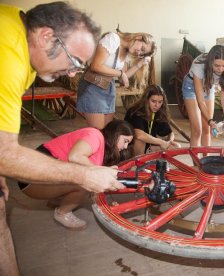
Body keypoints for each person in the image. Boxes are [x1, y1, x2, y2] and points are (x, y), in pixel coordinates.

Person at [0, 2, 127, 275]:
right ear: (47, 36)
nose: (72, 73)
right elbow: (4, 153)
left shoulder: (23, 49)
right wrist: (83, 176)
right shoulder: (7, 55)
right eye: (75, 62)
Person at [17, 120, 134, 230]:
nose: (125, 147)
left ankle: (57, 199)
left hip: (33, 175)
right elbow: (75, 157)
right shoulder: (95, 135)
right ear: (116, 134)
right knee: (86, 183)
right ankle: (62, 213)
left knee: (85, 175)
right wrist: (101, 170)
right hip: (31, 179)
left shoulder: (99, 141)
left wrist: (103, 170)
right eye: (125, 141)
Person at [77, 30, 156, 129]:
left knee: (108, 131)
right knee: (97, 132)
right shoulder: (113, 39)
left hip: (109, 88)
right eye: (142, 48)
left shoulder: (127, 53)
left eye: (142, 53)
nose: (139, 52)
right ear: (139, 37)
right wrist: (120, 73)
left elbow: (123, 78)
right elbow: (96, 66)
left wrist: (140, 63)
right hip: (94, 86)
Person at [182, 45, 224, 148]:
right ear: (210, 62)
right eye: (217, 65)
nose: (221, 69)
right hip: (191, 87)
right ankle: (197, 163)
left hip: (209, 86)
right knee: (197, 130)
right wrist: (211, 120)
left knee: (207, 129)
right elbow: (201, 101)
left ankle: (206, 162)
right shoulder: (199, 64)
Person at [125, 85, 180, 155]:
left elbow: (170, 133)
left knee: (176, 147)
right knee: (140, 141)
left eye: (160, 102)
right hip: (128, 147)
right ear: (146, 99)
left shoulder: (158, 112)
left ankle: (149, 160)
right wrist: (161, 142)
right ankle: (139, 163)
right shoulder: (135, 111)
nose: (157, 105)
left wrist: (169, 142)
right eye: (153, 101)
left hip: (148, 147)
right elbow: (139, 135)